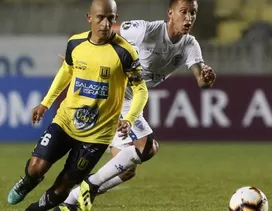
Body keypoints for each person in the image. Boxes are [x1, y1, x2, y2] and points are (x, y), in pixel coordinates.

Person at [55, 0, 216, 210]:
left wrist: (207, 78)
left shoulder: (190, 44)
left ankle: (70, 202)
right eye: (183, 12)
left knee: (126, 170)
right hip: (114, 93)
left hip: (131, 99)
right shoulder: (146, 30)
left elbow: (201, 81)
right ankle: (90, 184)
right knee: (147, 147)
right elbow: (107, 29)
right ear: (170, 13)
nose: (188, 18)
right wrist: (83, 54)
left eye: (192, 13)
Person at [6, 0, 149, 210]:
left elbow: (141, 89)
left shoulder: (125, 52)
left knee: (63, 187)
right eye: (100, 17)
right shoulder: (75, 43)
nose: (105, 24)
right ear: (89, 18)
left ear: (115, 19)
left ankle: (36, 209)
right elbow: (66, 72)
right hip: (65, 122)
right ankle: (29, 180)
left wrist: (129, 119)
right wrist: (45, 103)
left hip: (97, 135)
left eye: (111, 18)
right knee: (36, 168)